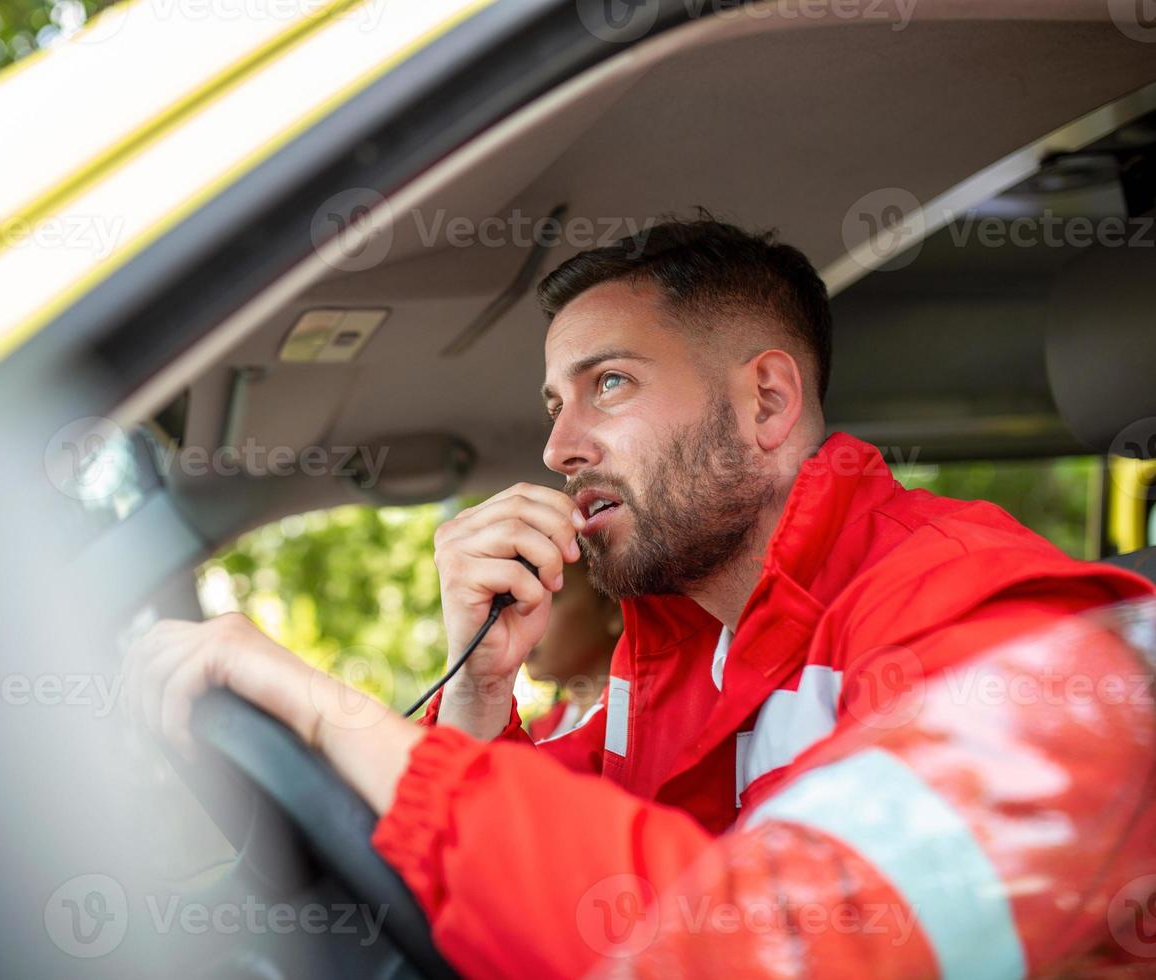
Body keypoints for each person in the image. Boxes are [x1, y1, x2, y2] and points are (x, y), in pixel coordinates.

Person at [124, 217, 1156, 977]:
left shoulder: (994, 628)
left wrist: (321, 708)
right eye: (554, 401)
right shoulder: (668, 656)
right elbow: (532, 876)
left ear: (764, 401)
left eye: (607, 383)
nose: (557, 445)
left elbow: (774, 950)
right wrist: (482, 683)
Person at [524, 559, 620, 741]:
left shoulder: (638, 732)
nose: (523, 616)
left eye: (549, 598)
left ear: (613, 608)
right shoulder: (540, 732)